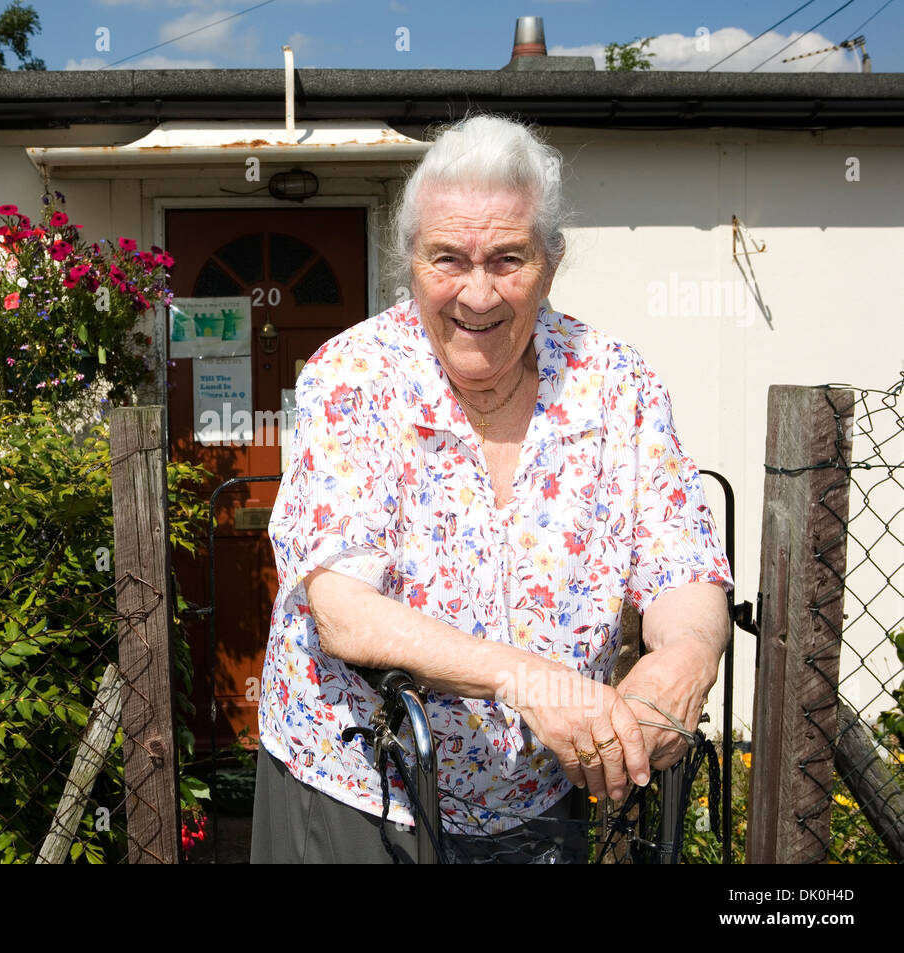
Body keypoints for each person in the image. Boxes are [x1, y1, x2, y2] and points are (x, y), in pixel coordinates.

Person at [250, 113, 735, 864]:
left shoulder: (618, 384)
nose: (477, 294)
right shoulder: (352, 377)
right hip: (359, 791)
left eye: (508, 258)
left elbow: (684, 566)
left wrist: (687, 656)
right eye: (448, 258)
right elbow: (345, 610)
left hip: (542, 802)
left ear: (552, 259)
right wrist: (532, 681)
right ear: (409, 259)